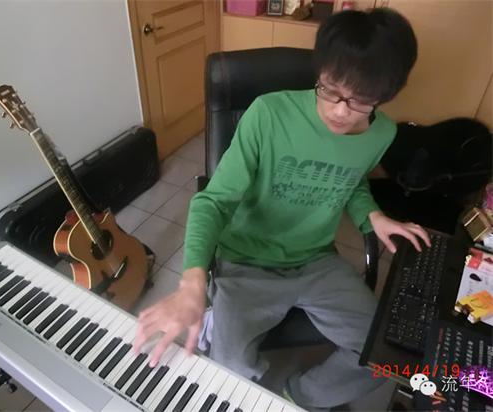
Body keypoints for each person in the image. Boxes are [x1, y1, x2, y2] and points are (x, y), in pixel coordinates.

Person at [134, 7, 430, 410]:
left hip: (315, 261)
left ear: (384, 96)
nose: (340, 111)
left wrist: (371, 216)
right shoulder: (268, 114)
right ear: (320, 72)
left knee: (387, 355)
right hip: (246, 261)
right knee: (227, 372)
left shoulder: (383, 133)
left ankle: (298, 396)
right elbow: (213, 201)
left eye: (359, 101)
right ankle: (219, 324)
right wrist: (192, 284)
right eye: (330, 89)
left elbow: (352, 178)